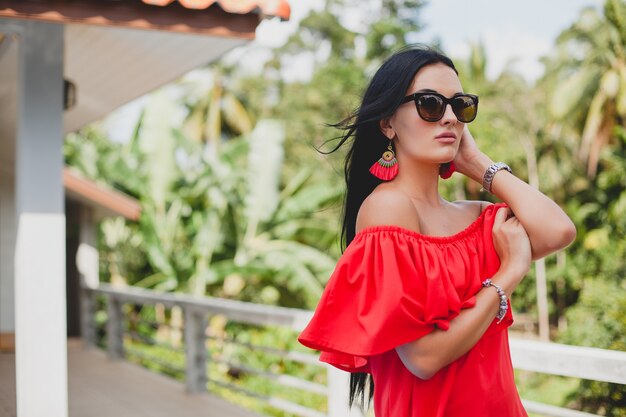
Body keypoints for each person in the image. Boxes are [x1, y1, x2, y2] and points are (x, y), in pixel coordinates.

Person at [297, 45, 577, 417]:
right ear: (387, 123)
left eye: (460, 106)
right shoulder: (388, 208)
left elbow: (558, 230)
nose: (449, 118)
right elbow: (422, 357)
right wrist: (507, 276)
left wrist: (480, 165)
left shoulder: (473, 217)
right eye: (430, 104)